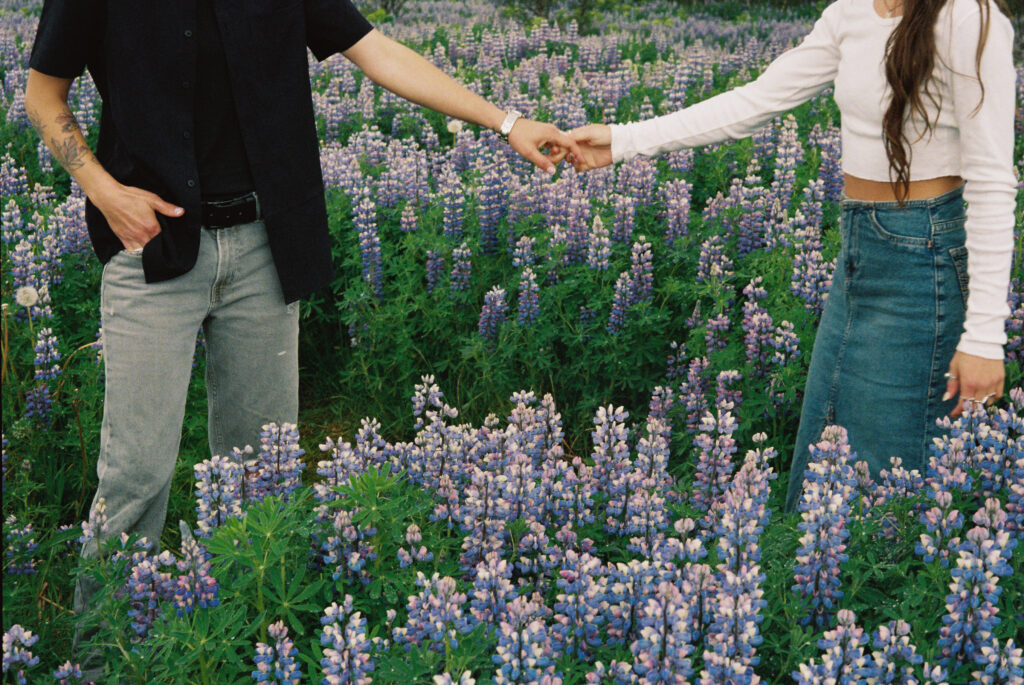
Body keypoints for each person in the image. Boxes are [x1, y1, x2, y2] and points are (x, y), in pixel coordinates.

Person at [24, 0, 579, 669]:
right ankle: (97, 660)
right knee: (135, 476)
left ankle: (249, 644)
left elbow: (375, 51)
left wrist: (506, 121)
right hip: (151, 241)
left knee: (262, 471)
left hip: (264, 243)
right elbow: (43, 93)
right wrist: (104, 190)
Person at [567, 0, 1015, 511]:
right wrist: (624, 141)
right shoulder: (852, 11)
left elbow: (994, 180)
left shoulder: (967, 17)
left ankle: (891, 588)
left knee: (892, 474)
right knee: (823, 456)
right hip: (860, 248)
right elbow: (758, 99)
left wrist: (984, 336)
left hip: (925, 255)